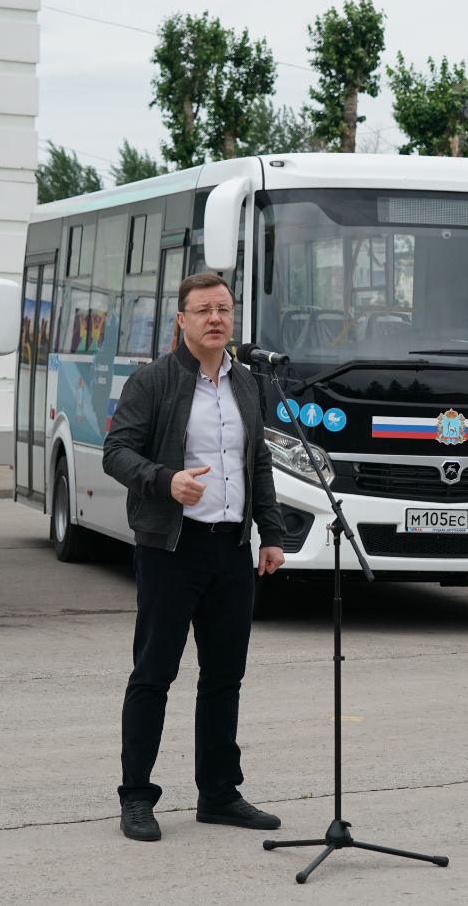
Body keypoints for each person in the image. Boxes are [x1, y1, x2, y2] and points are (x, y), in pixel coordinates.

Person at [102, 272, 288, 842]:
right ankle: (137, 797)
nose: (216, 319)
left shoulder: (249, 385)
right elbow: (116, 452)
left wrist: (272, 533)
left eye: (224, 310)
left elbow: (256, 462)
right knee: (155, 674)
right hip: (171, 551)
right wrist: (165, 481)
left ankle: (219, 794)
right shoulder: (153, 381)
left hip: (231, 549)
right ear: (180, 320)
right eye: (203, 310)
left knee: (225, 677)